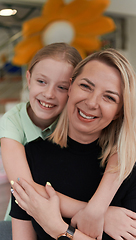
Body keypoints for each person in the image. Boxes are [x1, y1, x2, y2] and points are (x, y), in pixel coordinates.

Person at [10, 48, 136, 240]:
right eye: (86, 86)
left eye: (109, 97)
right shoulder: (30, 155)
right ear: (70, 87)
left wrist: (59, 229)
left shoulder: (134, 163)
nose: (92, 103)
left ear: (119, 111)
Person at [0, 42, 82, 221]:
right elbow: (24, 188)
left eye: (62, 87)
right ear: (28, 79)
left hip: (67, 220)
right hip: (23, 219)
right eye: (41, 81)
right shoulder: (11, 122)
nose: (49, 94)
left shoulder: (77, 122)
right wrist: (93, 212)